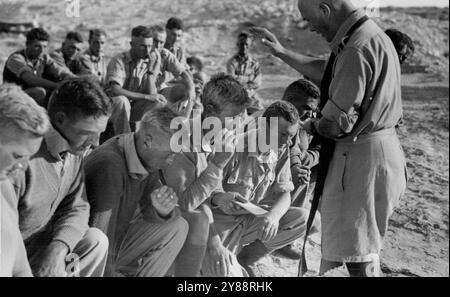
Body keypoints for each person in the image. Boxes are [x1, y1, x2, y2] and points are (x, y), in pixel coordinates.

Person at [252, 0, 407, 277]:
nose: (309, 27)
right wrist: (281, 52)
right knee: (362, 247)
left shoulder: (356, 48)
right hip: (377, 155)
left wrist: (310, 126)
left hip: (361, 162)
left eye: (309, 19)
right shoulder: (367, 36)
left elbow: (334, 124)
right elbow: (327, 72)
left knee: (359, 255)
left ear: (325, 9)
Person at [9, 77, 111, 277]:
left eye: (99, 133)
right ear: (60, 120)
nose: (96, 143)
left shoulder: (74, 150)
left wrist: (59, 247)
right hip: (12, 258)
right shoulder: (21, 160)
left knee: (95, 240)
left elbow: (77, 207)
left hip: (44, 250)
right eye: (87, 133)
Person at [204, 101, 312, 277]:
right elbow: (202, 191)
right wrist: (220, 197)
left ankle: (244, 259)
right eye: (283, 134)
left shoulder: (280, 148)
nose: (288, 141)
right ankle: (230, 260)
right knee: (223, 274)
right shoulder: (233, 145)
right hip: (217, 225)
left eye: (292, 135)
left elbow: (285, 194)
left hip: (248, 219)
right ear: (264, 126)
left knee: (300, 218)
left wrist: (273, 216)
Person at [160, 73, 248, 277]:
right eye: (233, 116)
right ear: (209, 111)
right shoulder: (183, 142)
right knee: (228, 274)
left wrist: (220, 196)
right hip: (173, 223)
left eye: (240, 116)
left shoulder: (217, 136)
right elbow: (185, 204)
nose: (238, 122)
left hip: (201, 219)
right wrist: (218, 163)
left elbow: (207, 186)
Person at [85, 107, 188, 277]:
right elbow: (99, 235)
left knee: (178, 226)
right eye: (171, 152)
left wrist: (161, 210)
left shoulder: (143, 155)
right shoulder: (109, 166)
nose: (173, 159)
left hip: (114, 243)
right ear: (148, 141)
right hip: (86, 253)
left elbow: (150, 210)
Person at [0, 84, 50, 277]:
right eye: (17, 155)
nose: (22, 166)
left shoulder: (4, 188)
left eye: (29, 157)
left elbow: (21, 268)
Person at [276, 78, 321, 260]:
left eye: (313, 109)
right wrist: (318, 154)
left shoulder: (300, 122)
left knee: (316, 224)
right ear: (291, 99)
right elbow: (293, 154)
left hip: (289, 191)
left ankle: (281, 240)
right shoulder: (280, 121)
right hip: (271, 190)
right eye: (306, 107)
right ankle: (276, 243)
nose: (310, 113)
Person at [105, 25, 167, 135]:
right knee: (122, 101)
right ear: (132, 45)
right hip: (111, 107)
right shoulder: (119, 60)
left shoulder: (147, 61)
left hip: (131, 108)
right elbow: (115, 90)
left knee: (159, 101)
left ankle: (145, 136)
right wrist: (146, 97)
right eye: (142, 46)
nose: (147, 51)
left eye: (149, 46)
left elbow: (152, 94)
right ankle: (125, 139)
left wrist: (151, 70)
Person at [3, 28, 75, 107]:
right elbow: (31, 80)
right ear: (28, 44)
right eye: (37, 46)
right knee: (39, 92)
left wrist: (76, 79)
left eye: (44, 47)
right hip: (11, 100)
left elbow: (60, 71)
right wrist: (57, 85)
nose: (41, 50)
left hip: (26, 98)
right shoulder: (16, 59)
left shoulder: (43, 57)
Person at [151, 25, 195, 116]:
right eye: (155, 41)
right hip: (144, 93)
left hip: (162, 89)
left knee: (188, 90)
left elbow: (184, 72)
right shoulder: (141, 54)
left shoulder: (170, 53)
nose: (158, 45)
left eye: (161, 42)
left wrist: (191, 89)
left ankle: (183, 124)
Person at [227, 32, 263, 115]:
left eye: (246, 44)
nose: (244, 47)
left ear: (250, 46)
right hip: (236, 97)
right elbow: (231, 82)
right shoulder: (232, 62)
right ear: (237, 44)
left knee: (262, 115)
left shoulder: (254, 63)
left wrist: (239, 79)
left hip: (252, 97)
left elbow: (257, 83)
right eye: (241, 44)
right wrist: (248, 80)